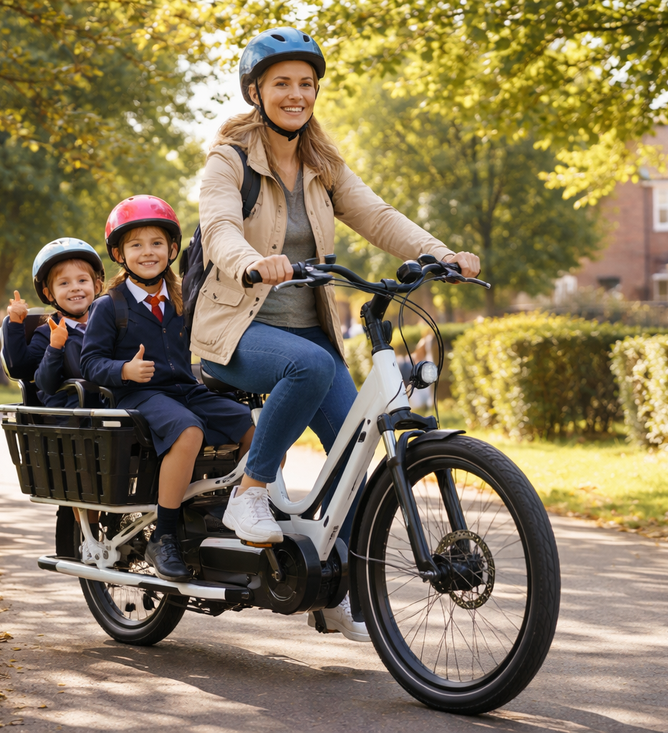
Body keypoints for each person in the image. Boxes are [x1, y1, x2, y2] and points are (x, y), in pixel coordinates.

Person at [193, 27, 481, 641]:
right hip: (236, 331)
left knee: (356, 449)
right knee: (313, 365)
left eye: (306, 83)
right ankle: (251, 490)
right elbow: (218, 227)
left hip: (309, 336)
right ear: (255, 92)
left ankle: (332, 591)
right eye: (281, 83)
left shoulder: (323, 165)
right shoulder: (230, 160)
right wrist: (251, 261)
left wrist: (440, 253)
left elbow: (377, 215)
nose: (296, 94)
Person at [81, 195, 256, 583]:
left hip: (185, 390)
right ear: (119, 254)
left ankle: (237, 507)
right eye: (136, 244)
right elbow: (90, 363)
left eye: (157, 243)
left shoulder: (182, 298)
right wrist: (124, 370)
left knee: (257, 427)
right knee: (188, 431)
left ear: (172, 249)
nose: (148, 252)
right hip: (138, 396)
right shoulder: (110, 306)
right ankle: (164, 537)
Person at [4, 238, 106, 407]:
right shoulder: (46, 334)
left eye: (82, 280)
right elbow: (37, 378)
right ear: (49, 294)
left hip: (110, 404)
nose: (75, 287)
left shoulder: (108, 324)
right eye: (64, 283)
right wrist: (55, 347)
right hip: (71, 413)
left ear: (96, 286)